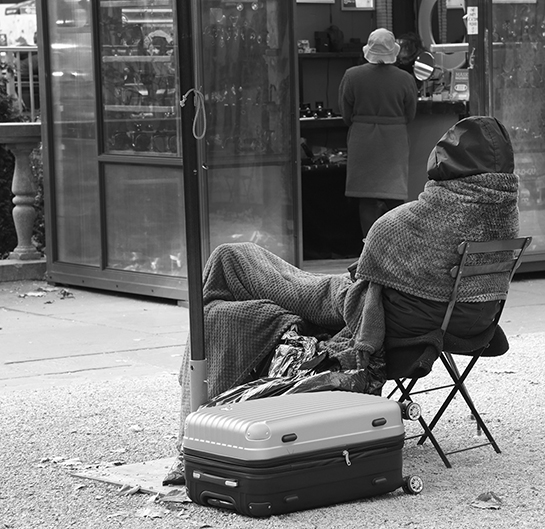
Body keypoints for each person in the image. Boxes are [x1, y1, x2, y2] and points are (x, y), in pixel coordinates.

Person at [163, 116, 520, 485]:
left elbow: (361, 281)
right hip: (465, 325)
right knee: (238, 275)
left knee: (230, 258)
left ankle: (196, 384)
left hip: (371, 314)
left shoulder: (403, 223)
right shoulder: (504, 218)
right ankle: (210, 325)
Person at [338, 28, 418, 238]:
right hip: (395, 141)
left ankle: (369, 245)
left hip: (362, 140)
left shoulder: (352, 76)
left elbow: (346, 114)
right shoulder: (405, 79)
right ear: (394, 51)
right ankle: (392, 246)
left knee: (366, 198)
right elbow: (410, 114)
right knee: (394, 197)